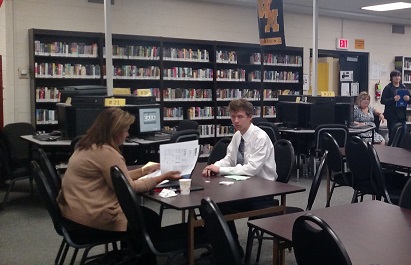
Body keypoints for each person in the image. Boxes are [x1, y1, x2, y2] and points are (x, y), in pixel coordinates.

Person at [57, 108, 180, 263]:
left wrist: (144, 171)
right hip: (91, 216)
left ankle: (129, 253)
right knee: (149, 219)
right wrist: (163, 177)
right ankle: (142, 259)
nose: (127, 135)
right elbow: (131, 188)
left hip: (74, 210)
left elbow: (119, 178)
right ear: (114, 131)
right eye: (125, 130)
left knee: (139, 215)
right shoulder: (107, 153)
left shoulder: (87, 145)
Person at [202, 99, 277, 256]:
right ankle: (226, 247)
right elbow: (228, 159)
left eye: (240, 116)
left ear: (250, 117)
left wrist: (221, 170)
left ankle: (232, 251)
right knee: (211, 204)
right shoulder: (237, 136)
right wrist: (214, 166)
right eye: (233, 116)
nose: (236, 121)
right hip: (243, 186)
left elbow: (251, 169)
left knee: (218, 206)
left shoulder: (260, 138)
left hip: (262, 191)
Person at [381, 70, 411, 141]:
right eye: (395, 76)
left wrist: (408, 98)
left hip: (402, 115)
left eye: (399, 76)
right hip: (392, 115)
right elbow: (383, 101)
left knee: (403, 133)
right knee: (393, 135)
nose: (397, 78)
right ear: (391, 77)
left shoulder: (403, 87)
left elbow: (409, 100)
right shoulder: (388, 88)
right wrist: (393, 99)